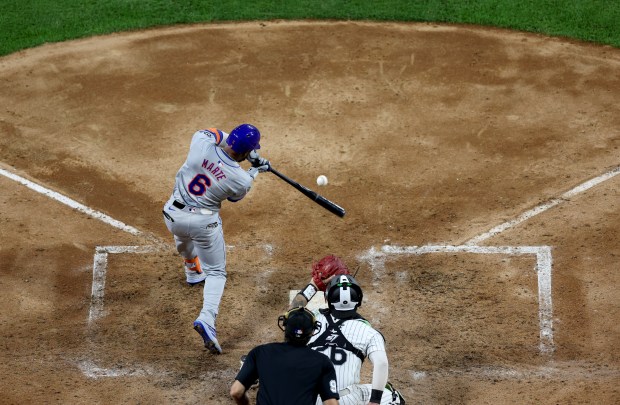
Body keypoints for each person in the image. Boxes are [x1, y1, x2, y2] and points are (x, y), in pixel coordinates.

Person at [162, 124, 270, 354]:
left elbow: (215, 133)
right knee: (217, 273)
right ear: (245, 153)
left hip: (172, 214)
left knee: (182, 234)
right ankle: (207, 319)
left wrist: (244, 150)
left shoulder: (201, 142)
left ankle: (192, 269)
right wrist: (255, 170)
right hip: (203, 224)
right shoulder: (241, 180)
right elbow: (234, 198)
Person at [291, 256, 406, 405]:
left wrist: (313, 284)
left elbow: (294, 309)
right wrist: (375, 402)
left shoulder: (313, 319)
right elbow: (381, 364)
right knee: (392, 394)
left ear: (327, 298)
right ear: (358, 299)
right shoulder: (368, 331)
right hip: (344, 399)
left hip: (305, 397)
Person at [230, 307, 340, 405]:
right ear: (312, 332)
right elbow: (331, 403)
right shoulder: (322, 362)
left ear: (284, 326)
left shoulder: (260, 353)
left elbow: (236, 391)